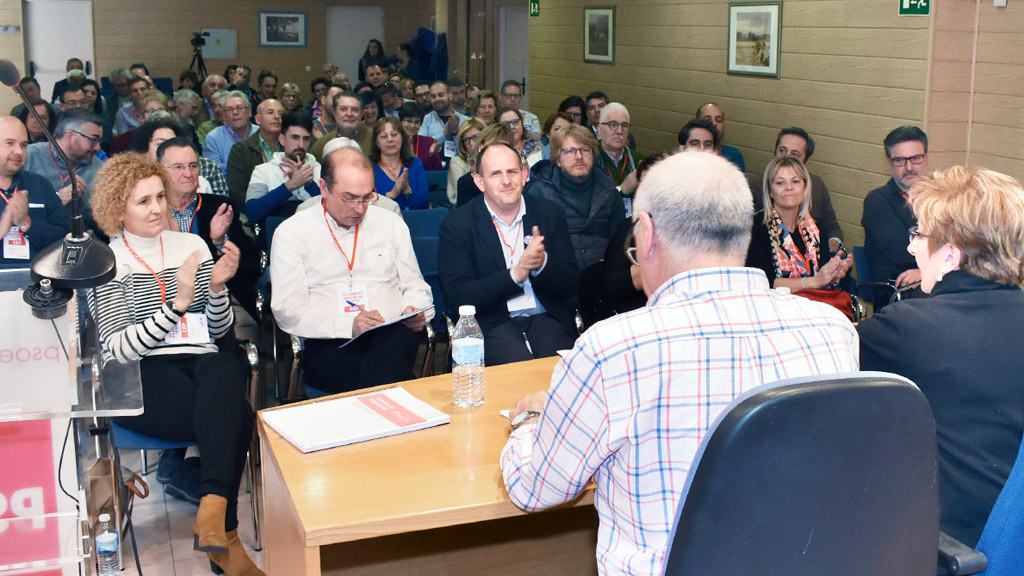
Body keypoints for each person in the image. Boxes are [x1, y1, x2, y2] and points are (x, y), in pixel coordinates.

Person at [500, 151, 859, 576]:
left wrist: (530, 419)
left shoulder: (613, 348)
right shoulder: (833, 330)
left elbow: (536, 488)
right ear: (745, 230)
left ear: (646, 234)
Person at [86, 153, 262, 576]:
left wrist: (217, 288)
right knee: (236, 413)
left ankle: (212, 516)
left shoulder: (193, 245)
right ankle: (225, 533)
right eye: (142, 201)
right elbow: (119, 348)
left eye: (160, 197)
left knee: (223, 366)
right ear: (117, 209)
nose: (157, 208)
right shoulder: (107, 263)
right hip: (144, 375)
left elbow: (217, 327)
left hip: (201, 362)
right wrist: (177, 305)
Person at [858, 165, 1024, 548]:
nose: (911, 246)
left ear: (950, 255)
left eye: (918, 234)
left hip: (949, 545)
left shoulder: (906, 329)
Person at [269, 143, 433, 394]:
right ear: (324, 188)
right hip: (330, 341)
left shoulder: (390, 224)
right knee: (382, 371)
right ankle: (391, 415)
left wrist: (416, 310)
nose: (359, 208)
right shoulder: (293, 232)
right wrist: (348, 325)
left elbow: (416, 286)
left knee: (393, 343)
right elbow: (287, 309)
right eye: (350, 198)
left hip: (391, 333)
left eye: (367, 197)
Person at [438, 143, 579, 366]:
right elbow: (459, 296)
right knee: (518, 372)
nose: (506, 181)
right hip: (492, 320)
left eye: (512, 171)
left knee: (561, 370)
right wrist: (515, 275)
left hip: (544, 315)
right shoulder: (458, 225)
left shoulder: (549, 214)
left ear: (524, 175)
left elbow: (572, 283)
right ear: (480, 182)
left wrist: (543, 264)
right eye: (496, 174)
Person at [524, 123, 625, 271]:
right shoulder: (539, 192)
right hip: (558, 272)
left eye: (585, 150)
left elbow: (618, 240)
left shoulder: (610, 191)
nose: (579, 157)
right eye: (570, 151)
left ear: (594, 155)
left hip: (602, 273)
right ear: (558, 160)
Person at [744, 156, 852, 292]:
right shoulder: (756, 228)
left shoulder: (816, 229)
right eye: (780, 183)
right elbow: (762, 281)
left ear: (805, 187)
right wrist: (814, 281)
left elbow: (822, 281)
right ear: (770, 191)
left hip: (814, 305)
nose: (789, 187)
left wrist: (833, 277)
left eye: (795, 181)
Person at [862, 125, 929, 309]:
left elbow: (965, 244)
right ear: (889, 162)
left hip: (934, 284)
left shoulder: (939, 198)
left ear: (926, 158)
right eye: (900, 160)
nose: (909, 167)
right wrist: (936, 267)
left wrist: (928, 270)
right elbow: (907, 254)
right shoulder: (877, 202)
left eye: (915, 158)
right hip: (900, 294)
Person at [750, 127, 844, 244]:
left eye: (795, 154)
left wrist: (833, 246)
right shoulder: (756, 186)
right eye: (782, 151)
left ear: (807, 161)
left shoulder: (817, 185)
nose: (786, 157)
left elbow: (832, 227)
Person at [0, 116, 70, 267]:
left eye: (24, 145)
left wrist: (27, 224)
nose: (18, 151)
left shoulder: (39, 184)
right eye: (10, 143)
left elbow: (65, 238)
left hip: (38, 282)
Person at [245, 110, 320, 225]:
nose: (300, 145)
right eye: (295, 137)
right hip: (273, 234)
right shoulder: (263, 170)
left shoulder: (320, 170)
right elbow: (253, 212)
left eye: (306, 139)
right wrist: (291, 185)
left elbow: (333, 211)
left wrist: (309, 183)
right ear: (282, 139)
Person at [24, 108, 104, 210]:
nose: (98, 148)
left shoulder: (100, 171)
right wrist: (57, 201)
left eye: (99, 141)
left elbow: (102, 221)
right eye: (93, 140)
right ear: (70, 137)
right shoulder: (28, 157)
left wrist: (80, 201)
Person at [225, 98, 284, 208]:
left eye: (281, 113)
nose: (277, 117)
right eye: (270, 112)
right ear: (258, 119)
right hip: (254, 210)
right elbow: (237, 192)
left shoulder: (290, 147)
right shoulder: (241, 149)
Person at [371, 117, 428, 211]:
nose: (390, 140)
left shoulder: (415, 164)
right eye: (383, 136)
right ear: (377, 142)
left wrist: (407, 191)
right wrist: (391, 195)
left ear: (402, 137)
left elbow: (424, 204)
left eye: (394, 135)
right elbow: (366, 208)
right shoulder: (368, 168)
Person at [202, 91, 257, 175]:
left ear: (249, 111)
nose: (235, 112)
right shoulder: (213, 138)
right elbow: (213, 172)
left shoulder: (261, 132)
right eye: (229, 109)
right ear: (224, 115)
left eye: (239, 108)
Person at [310, 90, 373, 160]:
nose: (349, 114)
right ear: (334, 112)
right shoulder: (322, 144)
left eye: (354, 109)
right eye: (343, 109)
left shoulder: (375, 138)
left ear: (362, 114)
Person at [596, 102, 643, 196]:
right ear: (599, 130)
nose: (619, 131)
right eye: (613, 124)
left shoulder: (639, 161)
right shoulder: (589, 159)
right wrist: (622, 189)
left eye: (624, 125)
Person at [447, 117, 486, 206]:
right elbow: (462, 195)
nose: (472, 143)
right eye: (467, 140)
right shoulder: (457, 162)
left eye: (476, 137)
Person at [697, 102, 745, 172]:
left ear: (724, 126)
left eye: (719, 120)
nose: (714, 123)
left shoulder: (735, 155)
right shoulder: (686, 157)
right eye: (707, 120)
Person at [397, 103, 442, 171]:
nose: (412, 126)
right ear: (400, 121)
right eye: (409, 121)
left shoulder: (429, 142)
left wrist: (433, 155)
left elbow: (438, 172)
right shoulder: (393, 142)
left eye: (417, 122)